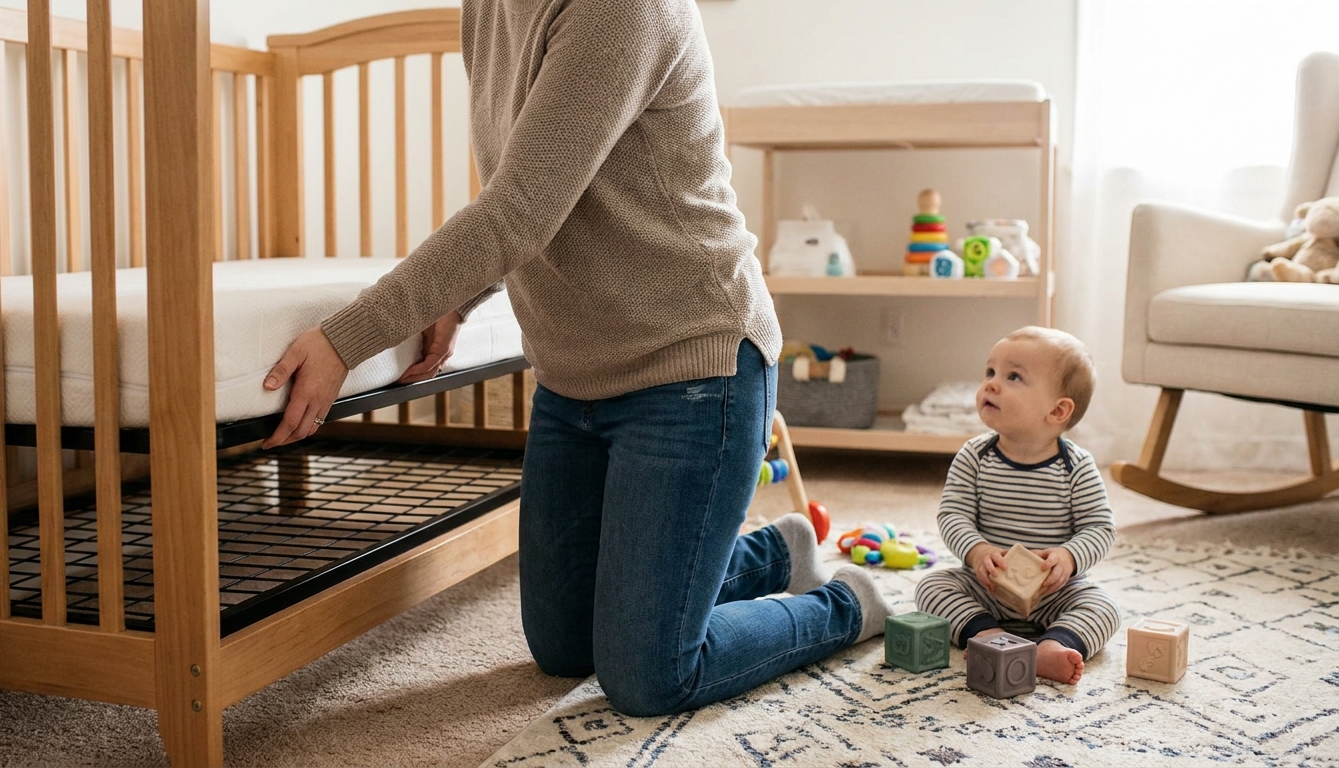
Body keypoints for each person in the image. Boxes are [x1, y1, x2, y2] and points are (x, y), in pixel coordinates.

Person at [257, 0, 893, 716]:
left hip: (692, 371)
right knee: (563, 645)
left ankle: (846, 605)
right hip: (571, 380)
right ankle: (775, 554)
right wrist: (459, 298)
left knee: (649, 675)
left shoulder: (625, 9)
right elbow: (541, 182)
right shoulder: (490, 8)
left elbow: (523, 206)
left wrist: (347, 337)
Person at [914, 326, 1119, 685]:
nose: (991, 384)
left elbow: (1099, 528)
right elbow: (953, 515)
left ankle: (1052, 647)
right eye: (990, 372)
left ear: (1057, 410)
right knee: (931, 588)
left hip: (1054, 591)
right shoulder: (974, 456)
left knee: (1104, 607)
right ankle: (988, 635)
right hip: (987, 585)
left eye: (1013, 377)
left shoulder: (1076, 466)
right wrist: (978, 552)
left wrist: (1068, 558)